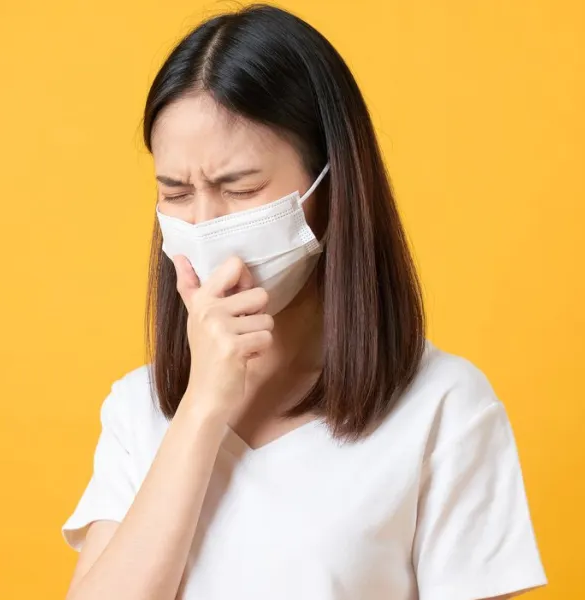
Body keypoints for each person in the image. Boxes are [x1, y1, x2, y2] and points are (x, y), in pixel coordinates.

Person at [61, 4, 546, 600]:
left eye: (240, 187)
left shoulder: (442, 407)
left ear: (330, 184)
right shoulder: (138, 410)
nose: (206, 222)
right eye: (177, 192)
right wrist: (201, 409)